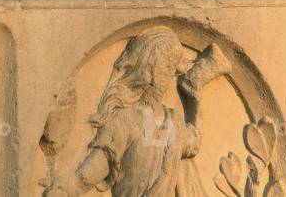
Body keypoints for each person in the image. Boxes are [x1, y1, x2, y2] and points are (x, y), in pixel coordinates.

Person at [42, 27, 229, 197]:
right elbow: (100, 163)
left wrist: (193, 100)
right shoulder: (125, 119)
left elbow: (193, 143)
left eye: (171, 65)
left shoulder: (174, 121)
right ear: (149, 69)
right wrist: (67, 188)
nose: (170, 72)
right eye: (166, 64)